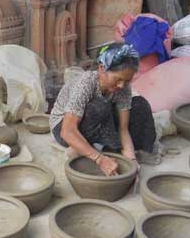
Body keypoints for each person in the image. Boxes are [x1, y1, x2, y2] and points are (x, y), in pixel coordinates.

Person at [49, 43, 156, 176]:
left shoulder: (123, 88)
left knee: (139, 104)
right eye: (117, 79)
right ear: (101, 69)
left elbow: (124, 129)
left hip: (99, 119)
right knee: (100, 107)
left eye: (127, 81)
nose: (121, 85)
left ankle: (104, 150)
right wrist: (99, 159)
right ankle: (79, 148)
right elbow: (67, 131)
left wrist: (131, 159)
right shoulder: (86, 82)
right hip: (63, 126)